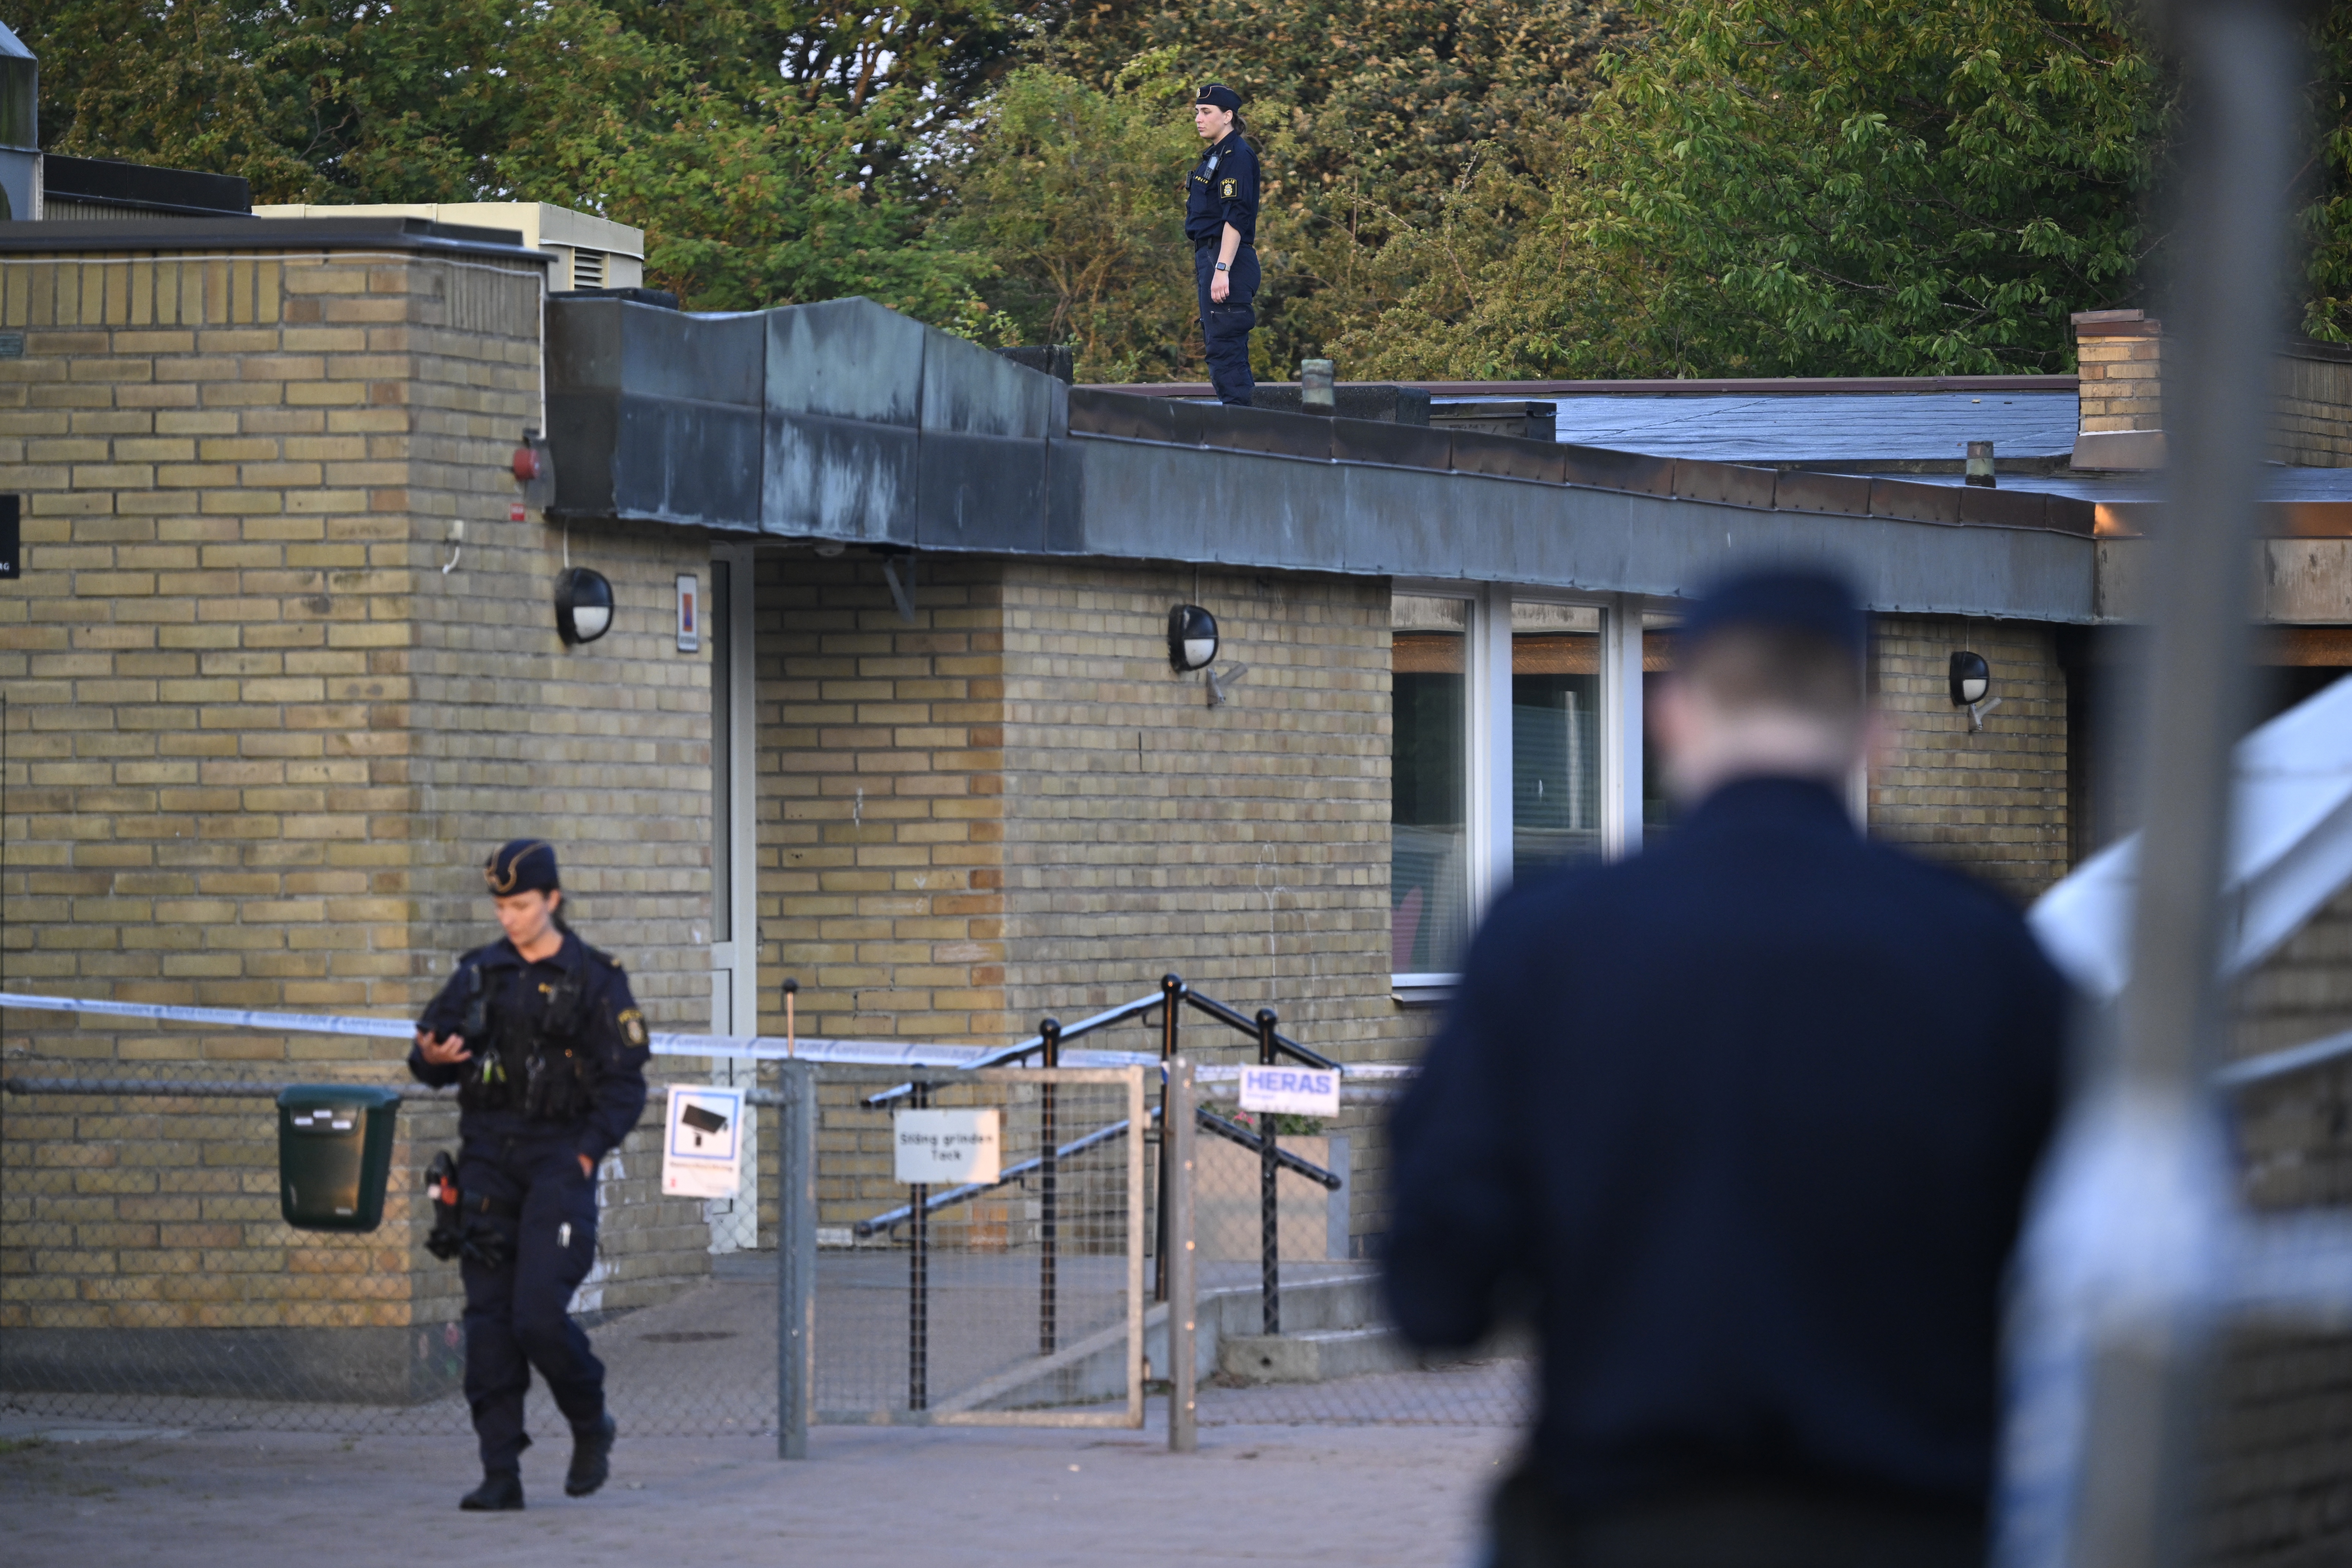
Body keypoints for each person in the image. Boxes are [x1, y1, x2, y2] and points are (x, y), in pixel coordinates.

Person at [1386, 567, 2068, 1568]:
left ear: (1675, 718)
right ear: (1873, 731)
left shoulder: (1546, 944)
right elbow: (2081, 1250)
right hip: (1914, 1527)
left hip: (1628, 1521)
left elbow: (1435, 1294)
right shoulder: (1985, 945)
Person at [411, 839, 652, 1511]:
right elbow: (431, 1055)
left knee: (538, 1316)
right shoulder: (479, 972)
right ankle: (500, 1471)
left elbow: (625, 1086)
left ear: (552, 899)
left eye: (521, 903)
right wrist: (430, 1055)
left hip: (557, 1162)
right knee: (489, 1323)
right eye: (500, 904)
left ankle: (588, 1420)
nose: (509, 916)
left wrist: (584, 1153)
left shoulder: (597, 979)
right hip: (488, 1159)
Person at [1187, 82, 1261, 406]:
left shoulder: (1237, 155)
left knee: (1226, 350)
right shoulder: (1216, 155)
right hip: (1212, 255)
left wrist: (1222, 268)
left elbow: (1236, 217)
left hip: (1226, 257)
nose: (1199, 119)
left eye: (1206, 112)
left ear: (1228, 116)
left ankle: (1244, 433)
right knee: (1219, 348)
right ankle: (1239, 429)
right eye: (1197, 113)